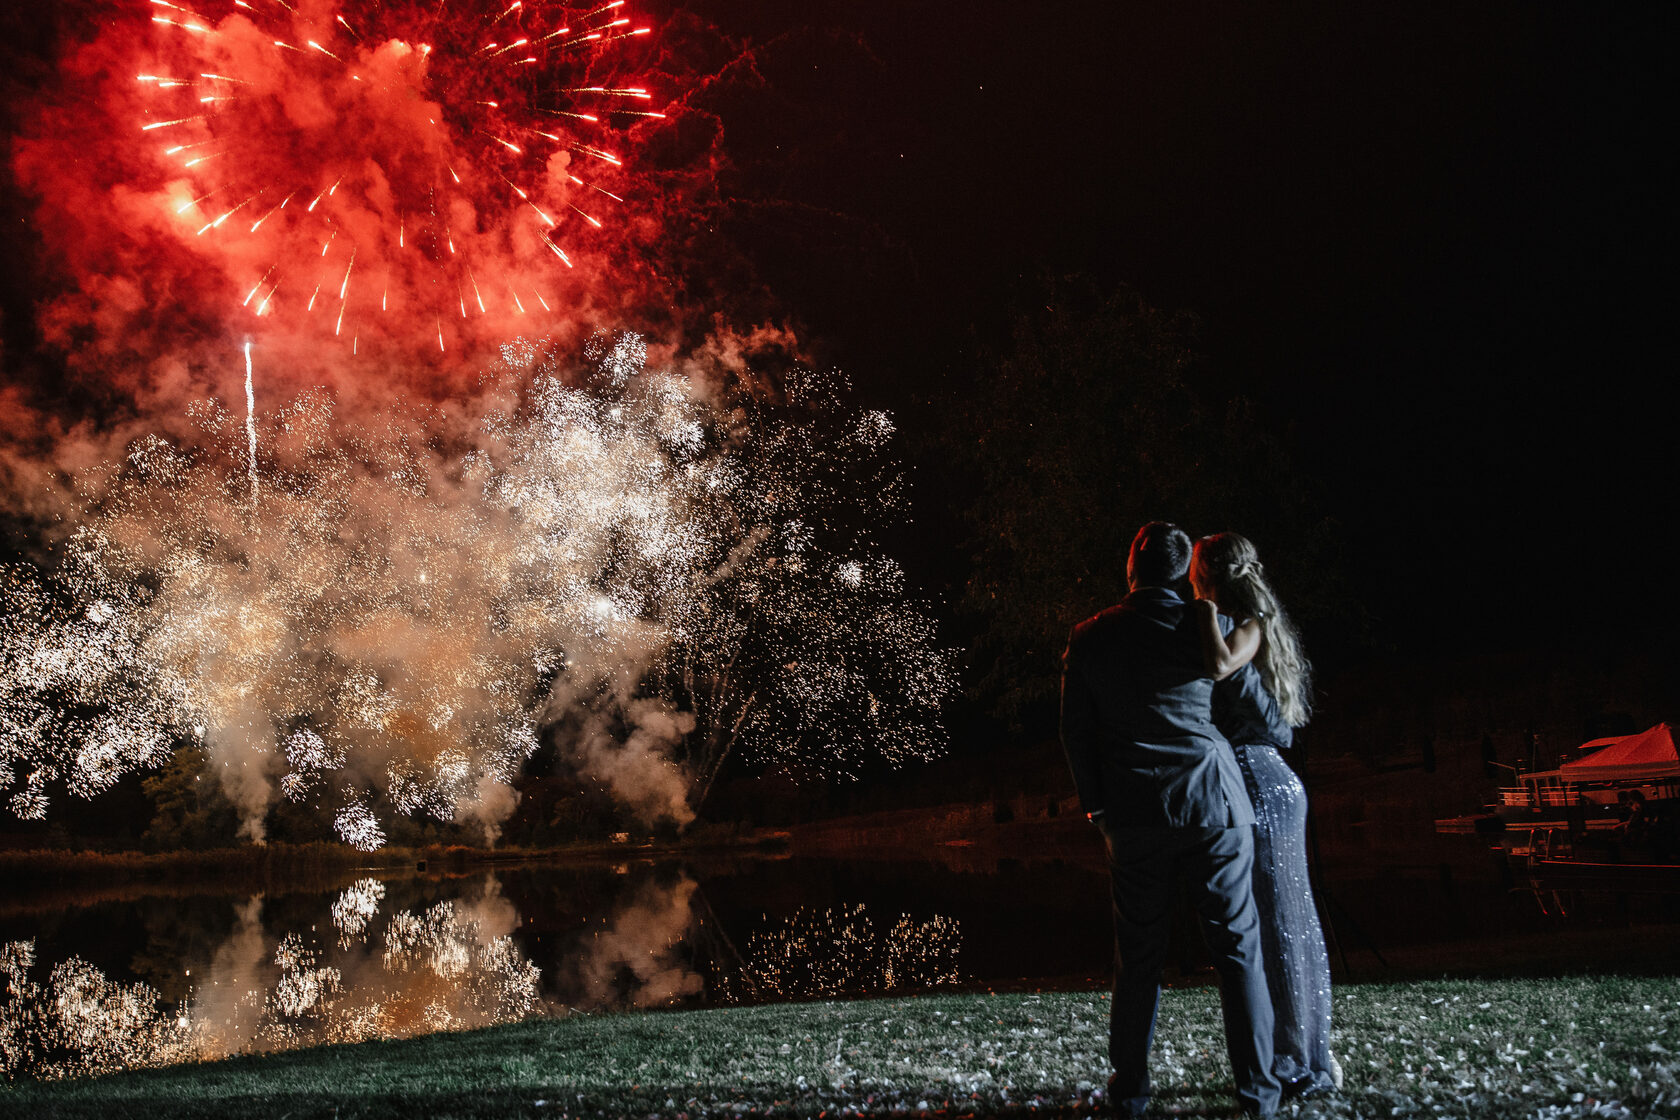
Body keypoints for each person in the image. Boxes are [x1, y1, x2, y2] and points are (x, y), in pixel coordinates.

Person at [1061, 521, 1280, 1117]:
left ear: (1132, 565)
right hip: (1214, 807)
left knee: (1138, 958)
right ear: (1184, 571)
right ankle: (1258, 1093)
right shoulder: (1212, 626)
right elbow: (1264, 718)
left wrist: (1098, 808)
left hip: (1133, 814)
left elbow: (1075, 733)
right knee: (1238, 951)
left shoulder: (1091, 637)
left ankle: (1129, 1091)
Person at [1189, 531, 1339, 1098]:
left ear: (1207, 574)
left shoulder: (1242, 619)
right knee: (1280, 921)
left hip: (1262, 785)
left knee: (1280, 924)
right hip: (1257, 780)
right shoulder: (1240, 616)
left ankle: (1298, 1057)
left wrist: (1203, 613)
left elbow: (1226, 670)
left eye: (1195, 569)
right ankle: (1298, 1051)